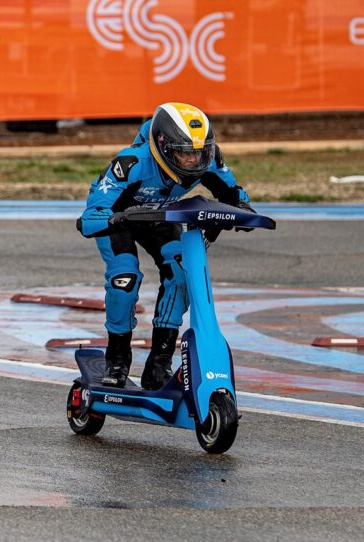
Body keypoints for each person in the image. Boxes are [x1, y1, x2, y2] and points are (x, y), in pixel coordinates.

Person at [78, 102, 252, 390]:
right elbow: (90, 218)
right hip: (117, 220)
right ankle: (117, 359)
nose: (193, 160)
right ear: (163, 145)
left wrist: (242, 211)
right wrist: (115, 218)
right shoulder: (130, 163)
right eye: (184, 152)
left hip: (161, 216)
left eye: (199, 152)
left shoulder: (209, 158)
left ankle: (159, 362)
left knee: (182, 275)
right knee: (125, 280)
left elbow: (234, 193)